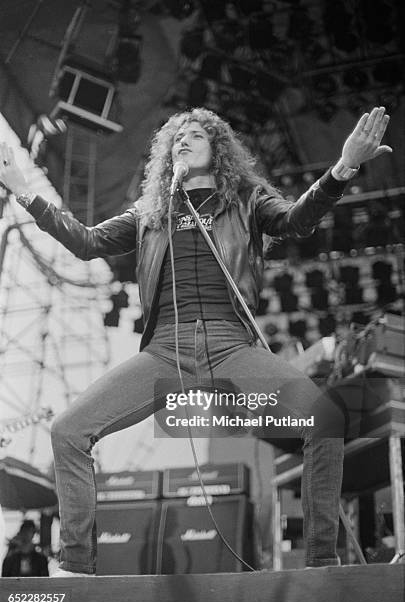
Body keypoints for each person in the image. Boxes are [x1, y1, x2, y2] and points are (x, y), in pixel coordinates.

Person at [0, 106, 391, 576]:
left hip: (232, 345)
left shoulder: (245, 201)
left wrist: (342, 167)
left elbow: (297, 219)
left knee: (324, 420)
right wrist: (26, 195)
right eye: (177, 136)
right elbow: (86, 242)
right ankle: (78, 564)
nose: (183, 139)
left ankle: (321, 562)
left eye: (196, 134)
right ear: (167, 154)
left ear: (218, 149)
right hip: (166, 349)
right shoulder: (149, 214)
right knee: (68, 430)